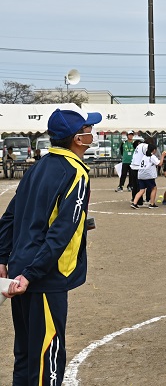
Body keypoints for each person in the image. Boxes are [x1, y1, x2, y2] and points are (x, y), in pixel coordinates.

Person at [0, 107, 102, 385]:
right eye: (87, 129)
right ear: (78, 139)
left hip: (20, 270)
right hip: (43, 276)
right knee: (48, 354)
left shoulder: (38, 167)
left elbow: (10, 216)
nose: (92, 132)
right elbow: (61, 232)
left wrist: (3, 258)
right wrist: (32, 273)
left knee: (25, 352)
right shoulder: (76, 172)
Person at [131, 137, 162, 209]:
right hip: (148, 175)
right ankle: (152, 203)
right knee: (153, 188)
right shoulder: (151, 156)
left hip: (140, 174)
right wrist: (162, 156)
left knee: (141, 190)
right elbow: (159, 164)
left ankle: (134, 203)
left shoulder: (143, 156)